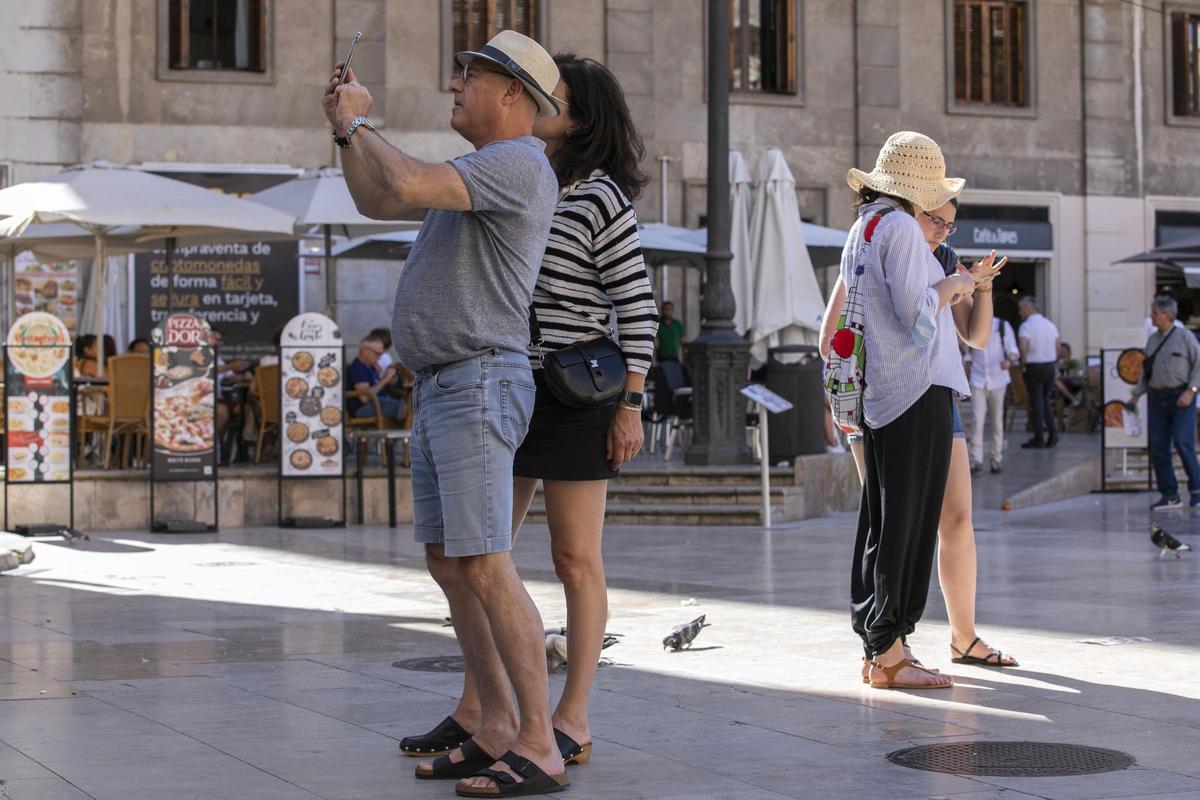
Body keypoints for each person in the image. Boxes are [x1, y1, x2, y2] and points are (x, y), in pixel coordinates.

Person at [399, 52, 658, 772]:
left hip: (576, 392)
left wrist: (631, 403)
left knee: (574, 558)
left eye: (558, 94)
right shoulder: (511, 172)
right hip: (506, 376)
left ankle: (571, 714)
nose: (542, 98)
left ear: (576, 114)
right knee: (481, 554)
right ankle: (480, 705)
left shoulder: (599, 195)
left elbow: (636, 306)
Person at [327, 29, 568, 795]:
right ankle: (494, 722)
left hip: (477, 381)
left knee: (487, 563)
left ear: (513, 97)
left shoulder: (517, 164)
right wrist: (344, 132)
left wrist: (362, 123)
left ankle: (540, 742)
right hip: (443, 385)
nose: (455, 87)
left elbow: (399, 183)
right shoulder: (475, 171)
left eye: (471, 77)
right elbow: (373, 196)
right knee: (451, 562)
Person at [821, 193, 1016, 678]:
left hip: (937, 395)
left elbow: (976, 336)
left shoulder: (942, 259)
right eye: (936, 221)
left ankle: (960, 636)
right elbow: (834, 334)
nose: (942, 232)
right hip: (887, 396)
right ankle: (888, 649)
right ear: (915, 207)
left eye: (949, 226)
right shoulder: (886, 243)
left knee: (955, 517)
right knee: (894, 519)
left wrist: (979, 286)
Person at [838, 131, 977, 690]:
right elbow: (918, 319)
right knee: (909, 523)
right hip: (914, 387)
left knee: (883, 518)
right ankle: (891, 649)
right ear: (920, 191)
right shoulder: (898, 228)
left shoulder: (865, 225)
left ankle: (879, 644)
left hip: (881, 389)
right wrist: (957, 284)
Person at [1128, 295, 1200, 510]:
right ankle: (1169, 494)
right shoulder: (1152, 340)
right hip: (1157, 398)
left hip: (1181, 397)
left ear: (1167, 315)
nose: (1152, 317)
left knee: (1182, 441)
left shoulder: (1185, 337)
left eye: (1155, 314)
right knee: (1158, 447)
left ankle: (1197, 490)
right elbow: (1146, 372)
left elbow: (1199, 366)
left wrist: (1192, 391)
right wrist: (1136, 395)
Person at [967, 311, 1019, 474]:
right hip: (978, 377)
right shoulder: (971, 323)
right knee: (977, 419)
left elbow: (1013, 350)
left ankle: (996, 458)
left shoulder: (1002, 326)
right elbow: (967, 353)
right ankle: (976, 459)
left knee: (997, 420)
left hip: (998, 378)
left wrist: (1009, 360)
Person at [1017, 296, 1060, 449]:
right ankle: (1053, 434)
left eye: (1021, 309)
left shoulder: (1026, 326)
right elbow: (1058, 347)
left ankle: (1039, 437)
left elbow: (1023, 348)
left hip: (1034, 367)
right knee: (1045, 401)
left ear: (1028, 309)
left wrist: (1022, 365)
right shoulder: (1050, 325)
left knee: (1036, 403)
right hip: (1050, 367)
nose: (1020, 313)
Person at [346, 334, 405, 423]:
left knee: (412, 404)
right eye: (378, 354)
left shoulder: (370, 366)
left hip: (378, 401)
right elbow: (364, 397)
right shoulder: (358, 368)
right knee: (407, 408)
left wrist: (389, 378)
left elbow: (379, 384)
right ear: (365, 351)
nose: (380, 357)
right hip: (363, 407)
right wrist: (385, 379)